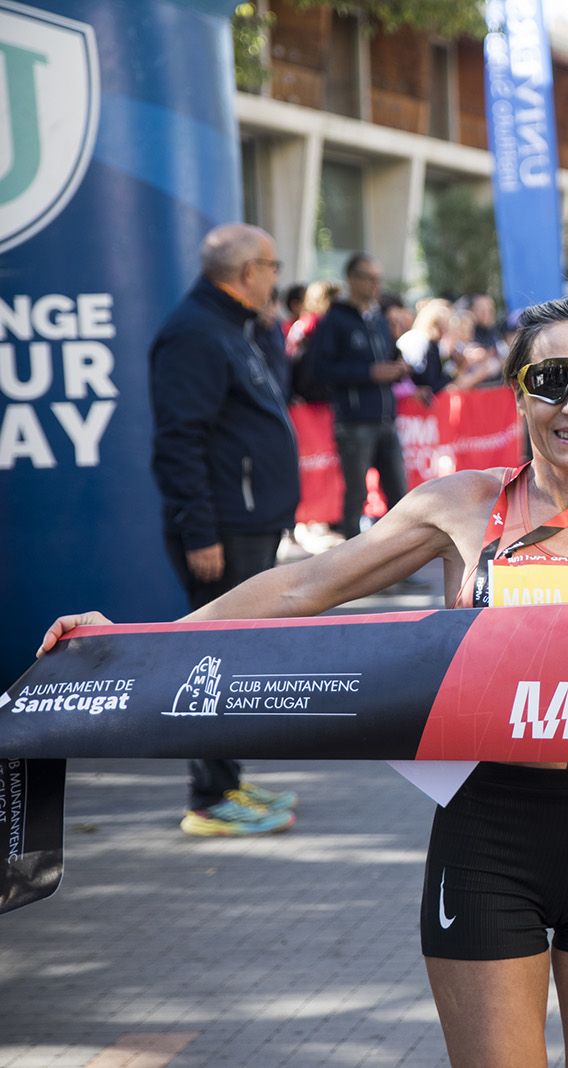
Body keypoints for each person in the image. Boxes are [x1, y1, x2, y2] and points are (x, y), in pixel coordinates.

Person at [39, 270, 568, 1067]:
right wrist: (141, 645)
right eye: (551, 378)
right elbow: (307, 584)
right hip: (488, 833)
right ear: (519, 392)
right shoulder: (460, 505)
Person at [148, 223, 302, 836]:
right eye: (272, 266)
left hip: (246, 522)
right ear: (247, 273)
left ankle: (227, 780)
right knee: (213, 661)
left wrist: (269, 333)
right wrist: (200, 531)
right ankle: (209, 799)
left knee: (234, 660)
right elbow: (178, 441)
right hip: (224, 530)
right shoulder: (194, 333)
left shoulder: (234, 328)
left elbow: (269, 403)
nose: (276, 278)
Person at [307, 252, 411, 540]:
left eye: (378, 278)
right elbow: (319, 370)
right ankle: (352, 558)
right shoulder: (335, 320)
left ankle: (401, 554)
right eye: (369, 278)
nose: (375, 284)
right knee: (357, 494)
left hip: (385, 417)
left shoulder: (378, 318)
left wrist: (397, 367)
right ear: (352, 279)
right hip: (355, 421)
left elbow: (386, 356)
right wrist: (368, 373)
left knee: (399, 493)